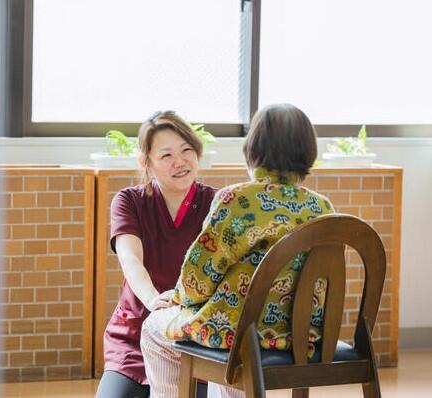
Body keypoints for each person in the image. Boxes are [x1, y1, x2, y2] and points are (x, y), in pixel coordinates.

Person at [140, 103, 335, 398]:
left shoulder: (236, 200)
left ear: (252, 150)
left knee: (155, 327)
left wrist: (179, 299)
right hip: (304, 334)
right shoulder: (323, 208)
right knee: (230, 333)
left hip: (237, 334)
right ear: (309, 151)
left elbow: (198, 279)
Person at [95, 111, 217, 398]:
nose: (180, 161)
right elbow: (130, 258)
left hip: (192, 340)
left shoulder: (216, 203)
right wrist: (153, 300)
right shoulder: (129, 201)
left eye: (187, 150)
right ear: (146, 163)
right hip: (133, 337)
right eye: (166, 155)